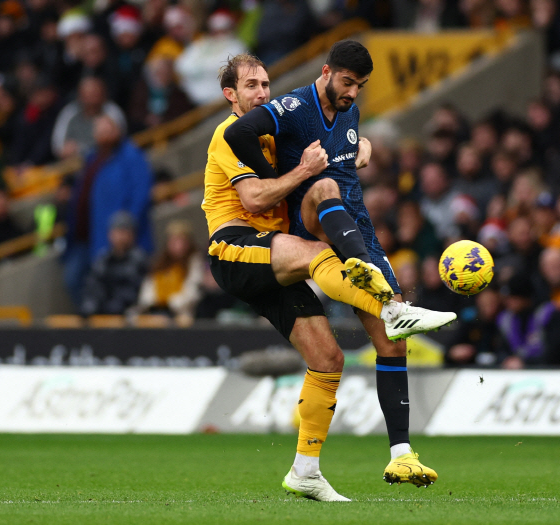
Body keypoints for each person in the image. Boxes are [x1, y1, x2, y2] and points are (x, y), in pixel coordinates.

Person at [203, 54, 454, 501]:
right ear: (231, 95)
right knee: (319, 252)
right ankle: (392, 309)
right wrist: (304, 171)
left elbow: (332, 135)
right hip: (235, 248)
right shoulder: (229, 135)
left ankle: (305, 470)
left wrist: (361, 147)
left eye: (266, 84)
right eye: (251, 86)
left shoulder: (275, 131)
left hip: (275, 258)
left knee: (328, 359)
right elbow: (256, 199)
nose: (262, 93)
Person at [63, 114, 153, 307]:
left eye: (107, 130)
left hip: (124, 240)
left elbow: (140, 194)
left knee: (124, 291)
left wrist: (126, 229)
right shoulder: (93, 159)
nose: (103, 135)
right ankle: (92, 324)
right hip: (92, 236)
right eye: (99, 131)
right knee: (82, 283)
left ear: (118, 131)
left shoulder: (132, 156)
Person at [79, 211, 149, 316]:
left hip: (128, 314)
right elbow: (93, 285)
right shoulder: (103, 260)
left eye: (124, 232)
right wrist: (92, 303)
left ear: (132, 235)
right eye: (116, 232)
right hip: (103, 312)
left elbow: (136, 290)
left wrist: (117, 303)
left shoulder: (140, 260)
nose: (120, 237)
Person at [135, 220, 203, 320]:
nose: (178, 245)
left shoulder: (194, 262)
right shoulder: (160, 263)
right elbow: (148, 288)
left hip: (181, 313)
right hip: (156, 311)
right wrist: (152, 302)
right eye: (174, 241)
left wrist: (171, 303)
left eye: (181, 241)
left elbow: (193, 290)